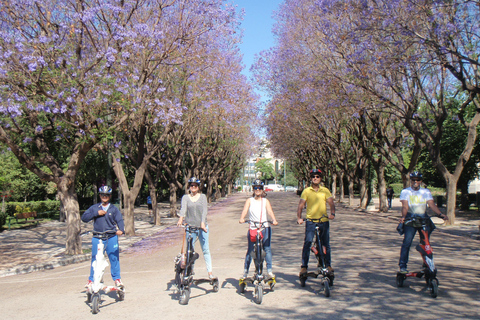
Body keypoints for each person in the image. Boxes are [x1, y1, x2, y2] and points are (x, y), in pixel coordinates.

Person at [398, 171, 448, 273]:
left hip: (423, 219)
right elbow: (405, 206)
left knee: (426, 244)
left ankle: (427, 264)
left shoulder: (426, 192)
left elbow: (431, 204)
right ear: (410, 181)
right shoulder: (405, 192)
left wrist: (440, 214)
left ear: (421, 181)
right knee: (407, 243)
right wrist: (403, 217)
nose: (415, 182)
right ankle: (403, 266)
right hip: (410, 219)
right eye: (413, 180)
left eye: (418, 180)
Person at [82, 186, 125, 289]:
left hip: (111, 237)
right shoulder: (94, 208)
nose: (104, 197)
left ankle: (117, 279)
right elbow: (84, 218)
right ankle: (91, 280)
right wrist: (96, 213)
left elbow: (119, 220)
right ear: (100, 196)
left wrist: (121, 230)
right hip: (98, 237)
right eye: (102, 195)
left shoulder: (113, 209)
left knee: (114, 258)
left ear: (109, 196)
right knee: (95, 259)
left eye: (106, 195)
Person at [297, 169, 336, 277]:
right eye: (313, 176)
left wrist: (332, 213)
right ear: (310, 178)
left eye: (317, 176)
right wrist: (299, 218)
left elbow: (331, 203)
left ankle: (328, 265)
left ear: (320, 178)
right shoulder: (306, 191)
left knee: (325, 244)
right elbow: (301, 205)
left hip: (323, 221)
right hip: (311, 221)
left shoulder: (325, 190)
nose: (315, 178)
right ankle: (304, 266)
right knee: (308, 242)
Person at [176, 177, 216, 279]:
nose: (193, 187)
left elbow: (204, 211)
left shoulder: (202, 197)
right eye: (191, 185)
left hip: (202, 227)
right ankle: (190, 269)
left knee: (205, 249)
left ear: (198, 187)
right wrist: (181, 219)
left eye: (195, 186)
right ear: (189, 187)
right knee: (190, 250)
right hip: (190, 227)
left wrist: (202, 223)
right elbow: (183, 209)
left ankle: (210, 273)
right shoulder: (185, 198)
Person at [238, 179, 278, 279]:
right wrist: (242, 218)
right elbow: (244, 211)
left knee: (267, 249)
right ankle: (245, 272)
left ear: (262, 190)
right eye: (256, 188)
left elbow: (270, 211)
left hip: (265, 228)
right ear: (253, 189)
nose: (258, 190)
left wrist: (273, 220)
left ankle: (269, 271)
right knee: (250, 250)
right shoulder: (249, 201)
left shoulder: (265, 201)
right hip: (253, 228)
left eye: (260, 188)